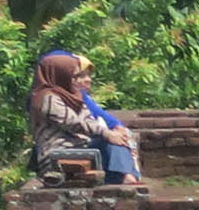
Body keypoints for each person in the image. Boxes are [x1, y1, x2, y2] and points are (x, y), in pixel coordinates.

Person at [28, 53, 141, 182]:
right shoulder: (46, 98)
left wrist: (113, 133)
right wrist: (106, 133)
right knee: (110, 138)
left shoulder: (74, 95)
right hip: (60, 151)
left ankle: (127, 176)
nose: (76, 80)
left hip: (83, 146)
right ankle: (124, 177)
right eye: (74, 76)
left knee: (119, 139)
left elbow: (89, 119)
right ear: (60, 74)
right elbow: (73, 123)